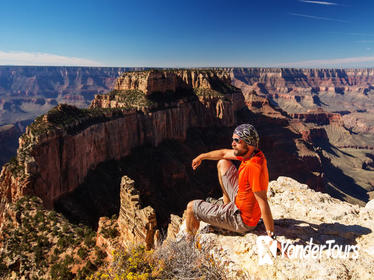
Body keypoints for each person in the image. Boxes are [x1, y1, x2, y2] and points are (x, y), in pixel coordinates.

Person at [185, 124, 276, 241]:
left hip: (241, 220)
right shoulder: (251, 153)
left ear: (248, 143)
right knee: (223, 162)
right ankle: (225, 205)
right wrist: (202, 157)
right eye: (233, 140)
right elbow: (223, 153)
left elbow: (263, 201)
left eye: (237, 141)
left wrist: (272, 237)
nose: (233, 143)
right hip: (241, 202)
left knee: (191, 207)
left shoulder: (253, 167)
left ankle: (188, 243)